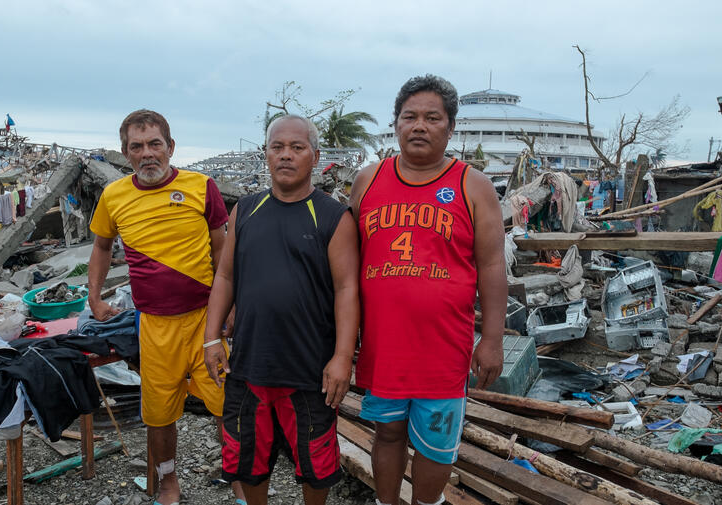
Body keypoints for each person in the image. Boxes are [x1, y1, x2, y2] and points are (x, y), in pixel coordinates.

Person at [350, 75, 506, 505]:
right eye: (409, 117)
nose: (419, 126)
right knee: (387, 432)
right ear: (396, 125)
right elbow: (345, 267)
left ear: (450, 127)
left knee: (436, 444)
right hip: (383, 343)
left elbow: (493, 266)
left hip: (443, 346)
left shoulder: (472, 185)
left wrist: (492, 339)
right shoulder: (367, 180)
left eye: (432, 118)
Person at [87, 109, 245, 505]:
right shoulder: (114, 196)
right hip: (154, 326)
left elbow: (222, 248)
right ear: (126, 153)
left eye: (155, 144)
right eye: (137, 146)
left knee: (227, 406)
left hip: (205, 323)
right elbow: (102, 247)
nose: (147, 153)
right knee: (159, 415)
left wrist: (229, 306)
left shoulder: (201, 186)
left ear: (170, 147)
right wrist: (94, 296)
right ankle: (169, 484)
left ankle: (241, 482)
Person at [203, 114, 359, 505]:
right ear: (266, 154)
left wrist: (342, 357)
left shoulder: (333, 216)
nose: (286, 155)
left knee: (316, 467)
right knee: (249, 462)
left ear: (315, 156)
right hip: (249, 365)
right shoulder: (246, 210)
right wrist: (211, 338)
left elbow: (347, 290)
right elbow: (225, 277)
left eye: (296, 147)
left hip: (309, 371)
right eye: (277, 147)